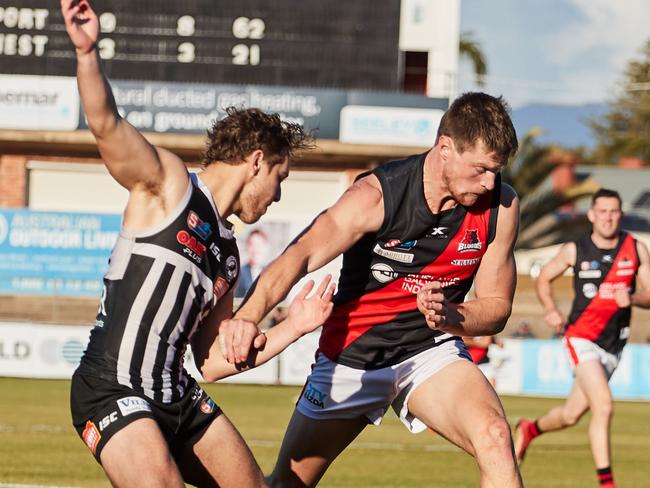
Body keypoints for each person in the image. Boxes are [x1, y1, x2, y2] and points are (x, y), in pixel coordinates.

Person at [61, 1, 320, 486]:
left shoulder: (228, 252)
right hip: (111, 386)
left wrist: (296, 326)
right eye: (280, 179)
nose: (278, 196)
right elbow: (107, 126)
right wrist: (87, 53)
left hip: (176, 394)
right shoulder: (172, 185)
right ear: (257, 161)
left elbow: (212, 362)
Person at [219, 92, 523, 487]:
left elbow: (498, 306)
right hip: (352, 356)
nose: (488, 183)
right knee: (286, 485)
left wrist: (453, 316)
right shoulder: (377, 195)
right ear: (445, 148)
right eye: (480, 169)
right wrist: (245, 317)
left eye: (495, 171)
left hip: (429, 353)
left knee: (496, 437)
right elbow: (300, 255)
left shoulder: (502, 205)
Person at [515, 188, 650, 488]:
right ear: (591, 215)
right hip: (581, 338)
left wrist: (633, 297)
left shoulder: (636, 248)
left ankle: (529, 429)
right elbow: (543, 277)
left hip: (614, 345)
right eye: (602, 211)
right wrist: (550, 309)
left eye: (614, 211)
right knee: (604, 405)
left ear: (621, 214)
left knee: (570, 415)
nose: (608, 217)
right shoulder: (575, 249)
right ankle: (607, 483)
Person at [235, 228, 271, 298]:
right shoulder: (240, 273)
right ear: (247, 246)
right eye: (252, 244)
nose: (255, 249)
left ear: (266, 247)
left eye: (259, 245)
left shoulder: (271, 272)